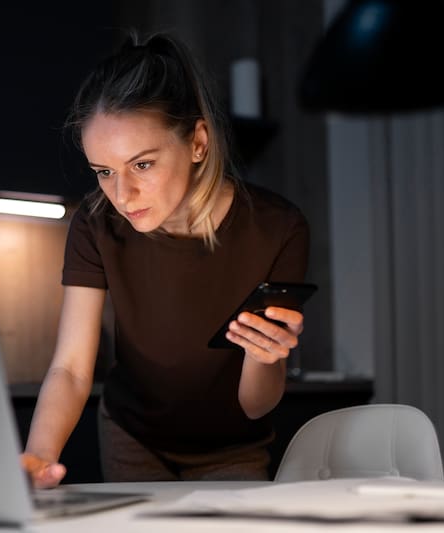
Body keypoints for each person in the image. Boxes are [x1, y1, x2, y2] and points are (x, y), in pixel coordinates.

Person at [20, 31, 311, 488]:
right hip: (131, 437)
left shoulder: (278, 230)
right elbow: (72, 369)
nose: (121, 195)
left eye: (142, 164)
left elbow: (256, 404)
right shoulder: (95, 225)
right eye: (104, 172)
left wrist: (265, 356)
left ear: (198, 141)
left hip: (232, 449)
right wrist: (39, 456)